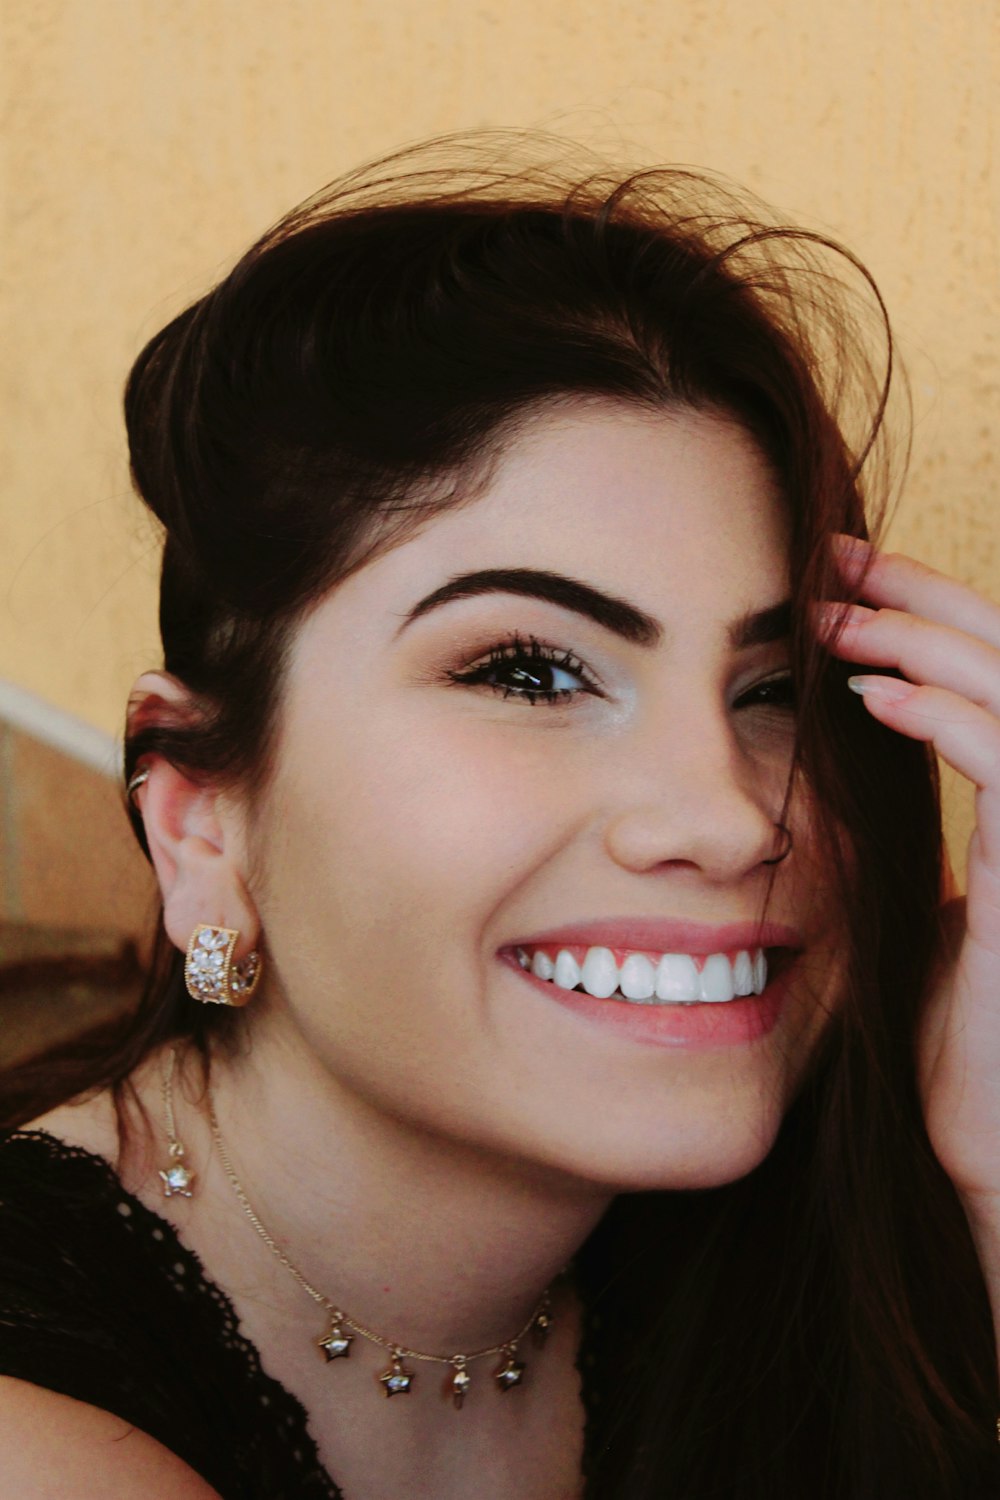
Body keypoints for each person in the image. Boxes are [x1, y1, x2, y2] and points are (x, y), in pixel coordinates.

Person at [1, 134, 998, 1499]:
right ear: (197, 820)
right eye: (528, 671)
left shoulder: (784, 1263)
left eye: (776, 686)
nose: (726, 817)